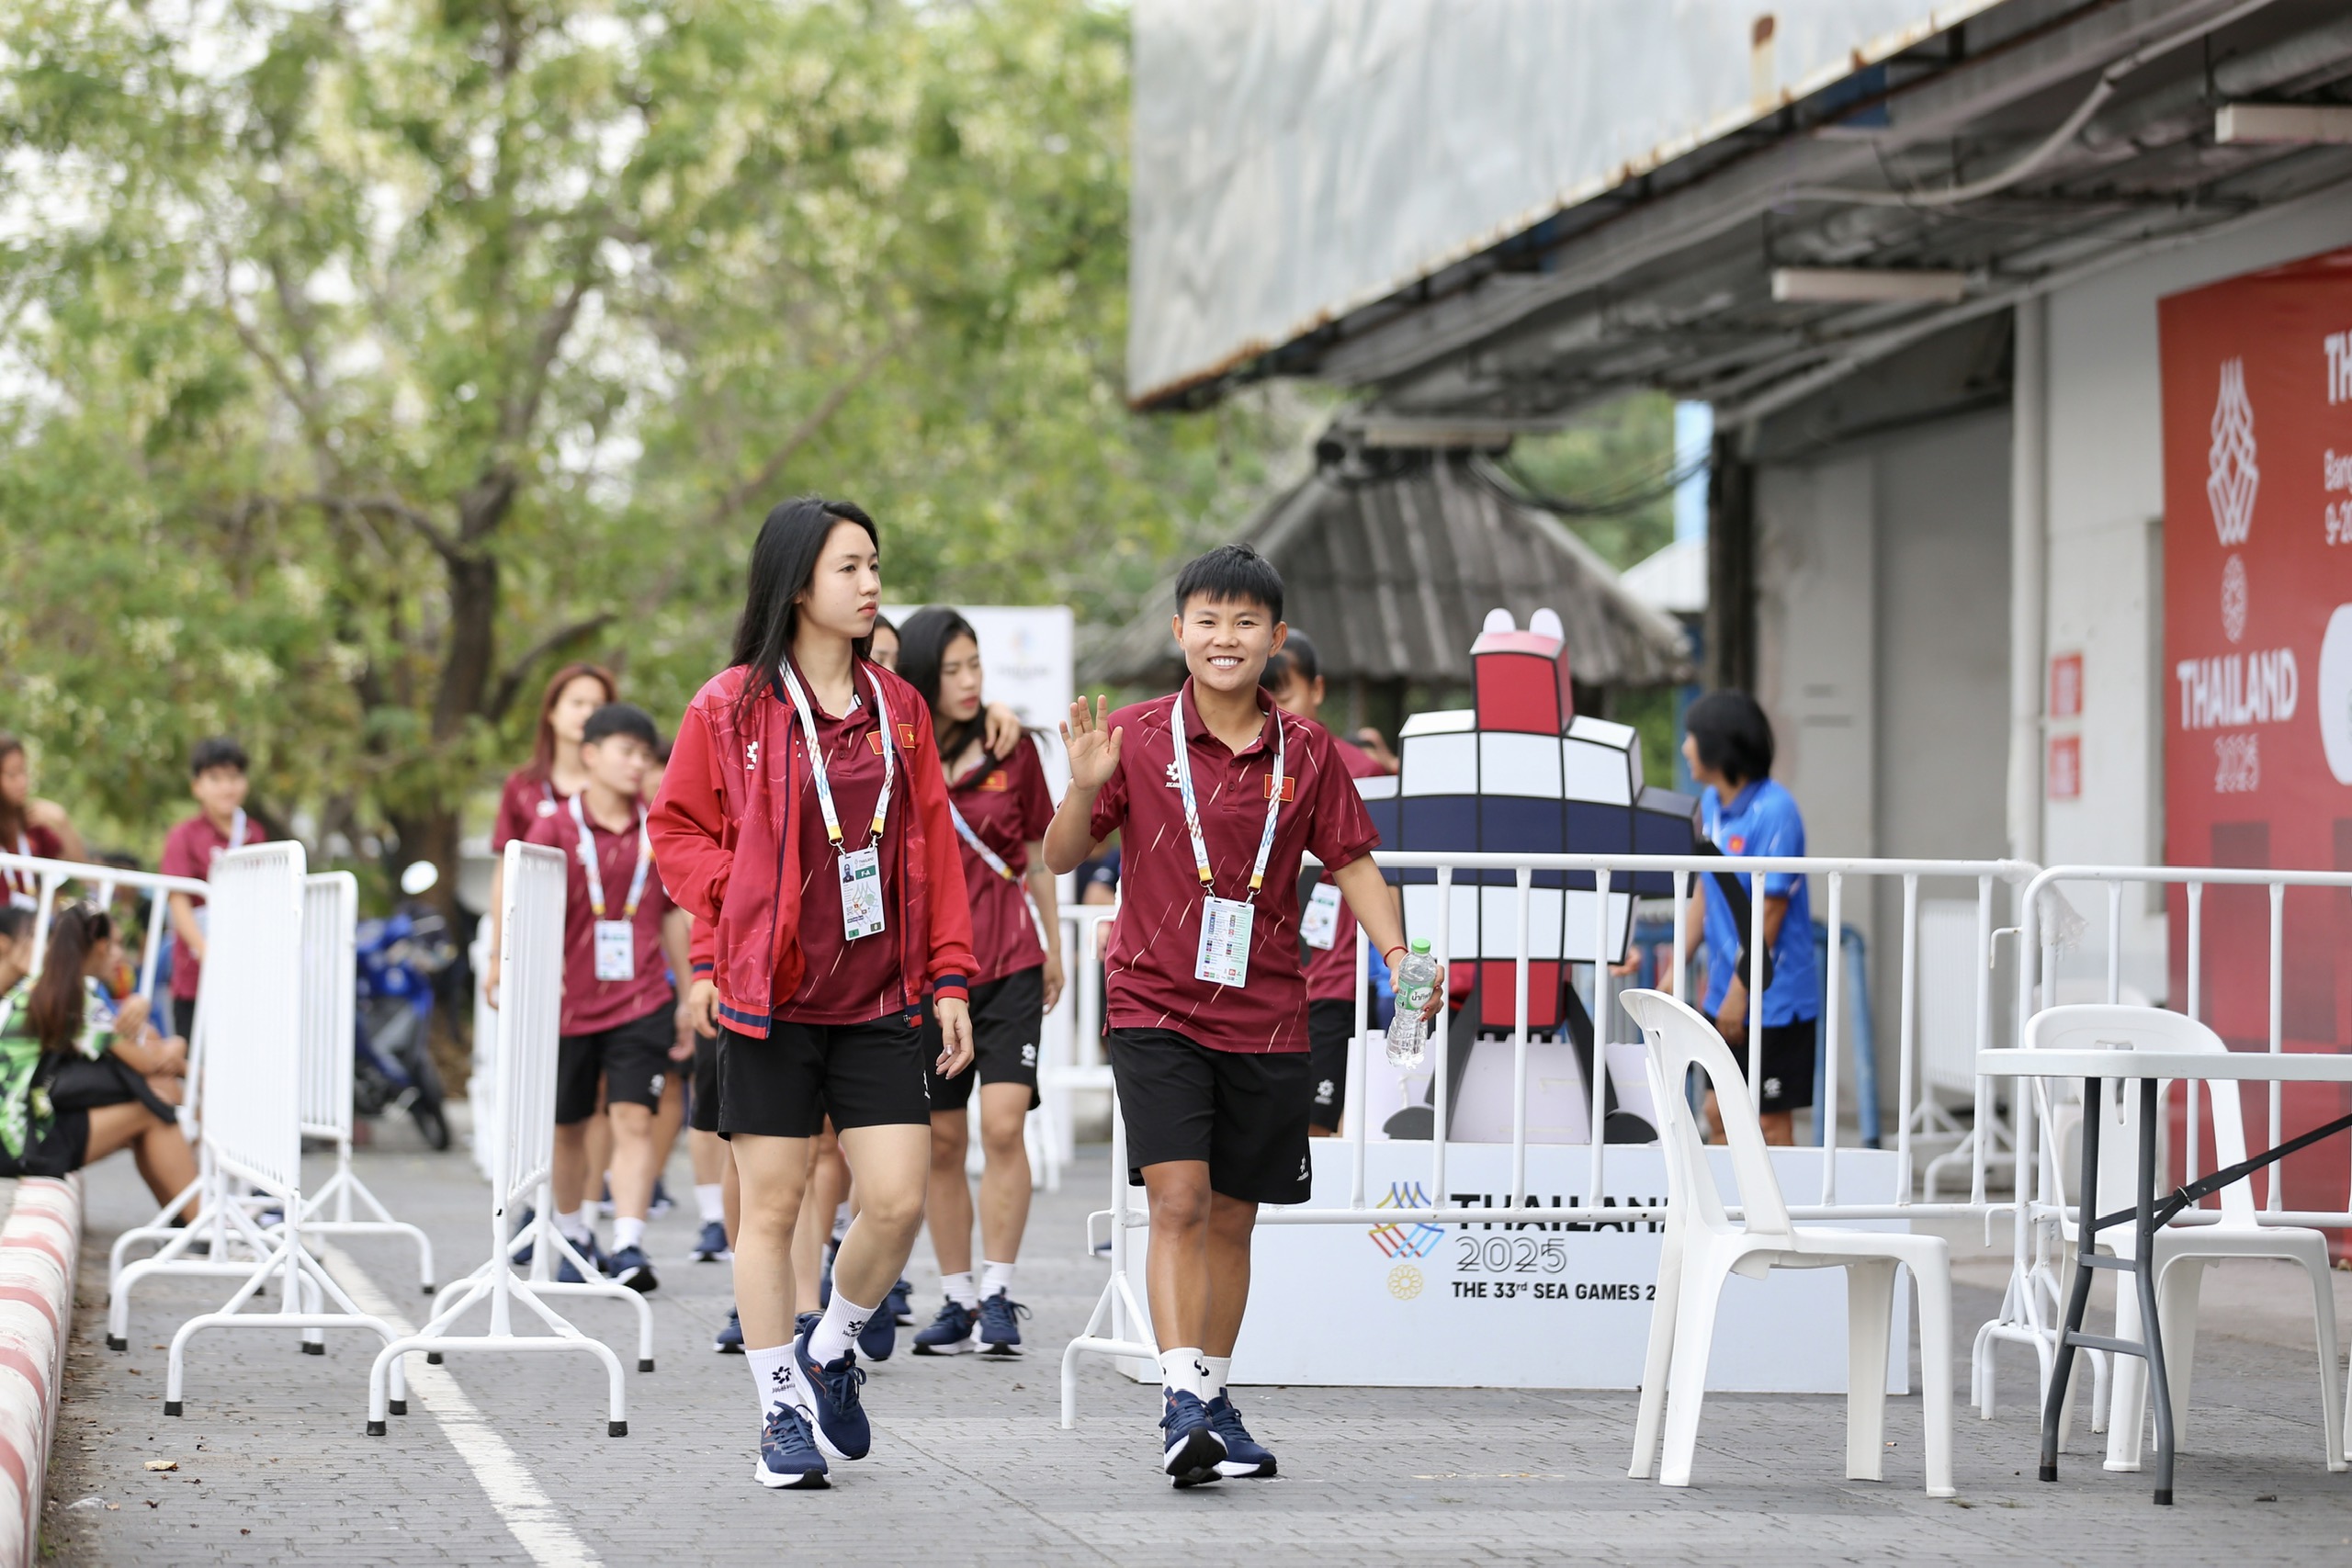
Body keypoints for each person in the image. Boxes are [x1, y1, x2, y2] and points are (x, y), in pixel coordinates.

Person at [1043, 542, 1441, 1489]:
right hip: (1153, 1004)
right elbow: (1060, 858)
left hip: (1267, 1012)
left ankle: (1213, 1398)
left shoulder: (1307, 752)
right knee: (1176, 1201)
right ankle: (1180, 1400)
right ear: (1179, 631)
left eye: (1245, 623)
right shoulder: (1134, 736)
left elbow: (1351, 864)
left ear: (1274, 639)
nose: (1225, 638)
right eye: (1208, 621)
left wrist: (1398, 957)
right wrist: (1085, 786)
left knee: (1232, 1216)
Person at [650, 496, 978, 1493]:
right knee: (773, 1208)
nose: (871, 583)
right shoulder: (729, 708)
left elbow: (933, 847)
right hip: (769, 1003)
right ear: (798, 584)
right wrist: (741, 901)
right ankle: (780, 1408)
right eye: (850, 567)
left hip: (881, 998)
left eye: (875, 563)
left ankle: (832, 1346)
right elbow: (675, 833)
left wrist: (952, 975)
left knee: (894, 1200)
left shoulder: (902, 711)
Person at [896, 607, 1064, 1357]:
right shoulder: (903, 749)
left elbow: (1035, 853)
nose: (969, 682)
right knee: (940, 1138)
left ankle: (999, 1291)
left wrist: (1053, 946)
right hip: (935, 971)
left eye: (977, 667)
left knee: (1002, 1126)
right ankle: (956, 1295)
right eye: (953, 669)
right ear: (925, 678)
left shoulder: (1014, 749)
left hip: (1012, 964)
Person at [523, 703, 693, 1292]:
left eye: (646, 755)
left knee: (633, 1118)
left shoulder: (659, 828)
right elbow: (532, 914)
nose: (638, 764)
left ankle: (628, 1242)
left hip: (642, 998)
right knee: (569, 1125)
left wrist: (685, 994)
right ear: (590, 754)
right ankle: (573, 1233)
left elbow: (674, 917)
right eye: (626, 751)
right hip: (569, 1004)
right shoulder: (553, 829)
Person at [1676, 691, 1820, 1147]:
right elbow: (1706, 892)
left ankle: (1779, 1219)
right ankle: (1733, 1218)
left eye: (1692, 737)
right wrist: (1672, 968)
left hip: (1771, 996)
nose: (1685, 748)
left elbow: (1771, 912)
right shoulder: (1712, 804)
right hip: (1725, 992)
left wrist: (1742, 993)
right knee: (1719, 1112)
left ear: (1720, 746)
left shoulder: (1776, 811)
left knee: (1768, 1122)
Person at [1261, 632, 1389, 1138]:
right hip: (1255, 974)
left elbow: (1375, 869)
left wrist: (1397, 956)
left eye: (1284, 694)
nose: (1273, 707)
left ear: (1317, 689)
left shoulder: (1362, 770)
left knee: (1316, 1126)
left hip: (1333, 978)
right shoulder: (1244, 760)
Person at [0, 904, 198, 1202]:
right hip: (18, 1141)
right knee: (153, 1110)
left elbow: (140, 1045)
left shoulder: (47, 988)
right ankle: (201, 1228)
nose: (120, 954)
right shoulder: (73, 998)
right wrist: (181, 1046)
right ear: (100, 946)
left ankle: (186, 1224)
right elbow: (147, 1062)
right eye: (116, 944)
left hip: (18, 1130)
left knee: (148, 1113)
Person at [158, 737, 254, 1043]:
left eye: (233, 777)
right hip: (195, 974)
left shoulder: (255, 834)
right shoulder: (184, 836)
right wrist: (206, 950)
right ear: (197, 786)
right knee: (198, 1062)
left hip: (246, 969)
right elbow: (179, 900)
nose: (226, 787)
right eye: (215, 778)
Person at [0, 735, 87, 910]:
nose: (23, 782)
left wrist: (63, 822)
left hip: (26, 930)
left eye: (24, 772)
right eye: (12, 775)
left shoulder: (32, 823)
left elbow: (83, 872)